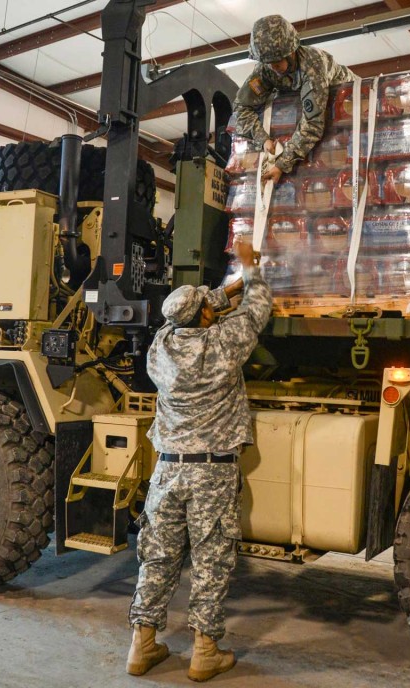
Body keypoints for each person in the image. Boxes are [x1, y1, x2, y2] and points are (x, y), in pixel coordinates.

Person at [126, 240, 272, 682]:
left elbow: (191, 311)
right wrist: (250, 269)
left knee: (158, 557)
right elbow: (258, 307)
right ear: (207, 318)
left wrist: (213, 298)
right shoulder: (224, 344)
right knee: (210, 558)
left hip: (167, 470)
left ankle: (142, 645)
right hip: (211, 471)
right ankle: (204, 652)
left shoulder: (160, 349)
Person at [234, 14, 355, 184]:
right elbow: (241, 107)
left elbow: (313, 124)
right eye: (266, 62)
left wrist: (282, 164)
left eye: (276, 61)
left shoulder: (313, 66)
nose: (272, 68)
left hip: (350, 105)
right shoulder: (266, 69)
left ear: (291, 52)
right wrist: (264, 140)